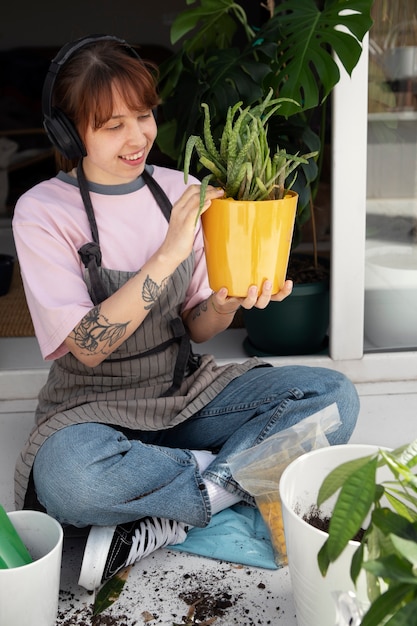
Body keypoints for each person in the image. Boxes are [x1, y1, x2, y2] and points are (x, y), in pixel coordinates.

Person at [12, 34, 360, 591]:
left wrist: (223, 305)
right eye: (112, 125)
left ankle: (171, 510)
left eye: (144, 115)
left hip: (184, 389)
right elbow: (89, 344)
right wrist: (171, 250)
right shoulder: (41, 211)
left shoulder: (183, 190)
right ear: (69, 132)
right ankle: (232, 476)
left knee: (333, 397)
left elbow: (198, 327)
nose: (138, 137)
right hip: (90, 408)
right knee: (69, 479)